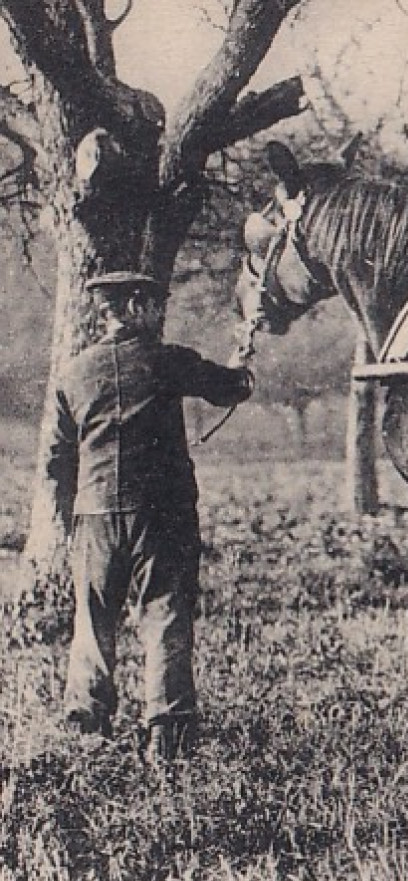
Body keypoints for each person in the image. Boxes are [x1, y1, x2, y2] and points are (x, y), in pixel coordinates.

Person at [43, 271, 254, 762]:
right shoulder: (168, 360)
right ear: (137, 307)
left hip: (94, 515)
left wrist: (65, 515)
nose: (162, 315)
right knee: (166, 612)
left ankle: (88, 721)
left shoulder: (72, 374)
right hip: (163, 514)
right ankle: (167, 731)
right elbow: (228, 389)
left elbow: (57, 459)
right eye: (157, 305)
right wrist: (242, 366)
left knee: (94, 618)